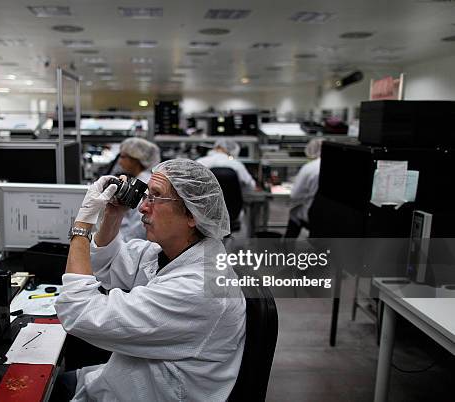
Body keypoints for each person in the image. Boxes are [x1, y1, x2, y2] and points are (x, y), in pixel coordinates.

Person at [54, 159, 246, 402]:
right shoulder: (174, 253)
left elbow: (78, 312)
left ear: (192, 214)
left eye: (156, 197)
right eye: (146, 196)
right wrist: (114, 214)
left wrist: (82, 226)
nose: (143, 207)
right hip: (121, 380)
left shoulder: (196, 288)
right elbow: (108, 263)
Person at [115, 137, 161, 241]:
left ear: (135, 159)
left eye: (123, 157)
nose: (119, 161)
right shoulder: (139, 180)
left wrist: (121, 245)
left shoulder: (144, 184)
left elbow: (139, 225)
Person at [284, 138, 324, 238]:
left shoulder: (309, 168)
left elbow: (294, 195)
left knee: (294, 213)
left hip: (313, 214)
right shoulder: (340, 165)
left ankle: (286, 249)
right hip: (336, 217)